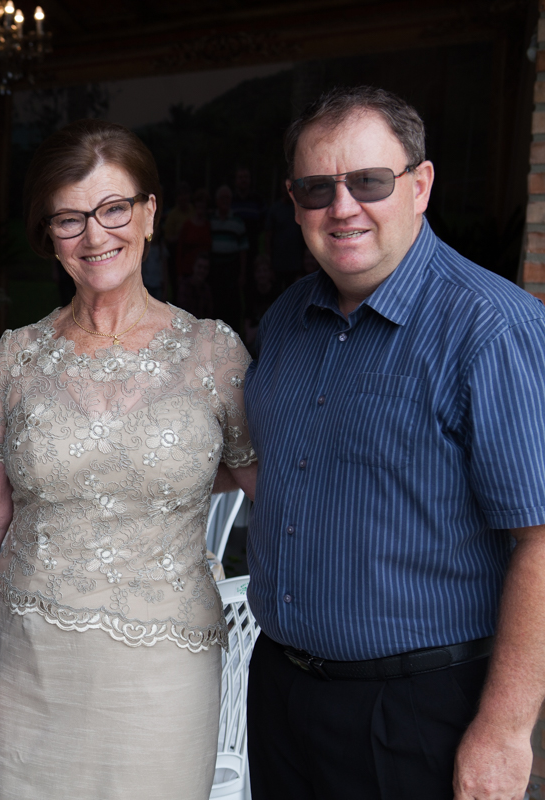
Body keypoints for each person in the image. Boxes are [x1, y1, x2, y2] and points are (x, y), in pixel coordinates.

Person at [244, 85, 545, 800]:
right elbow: (264, 462)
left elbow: (541, 539)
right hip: (282, 692)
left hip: (421, 709)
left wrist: (504, 731)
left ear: (420, 184)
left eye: (369, 182)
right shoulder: (288, 317)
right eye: (318, 188)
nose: (342, 208)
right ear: (294, 203)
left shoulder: (491, 329)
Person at [0, 118, 258, 800]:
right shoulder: (18, 354)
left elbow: (267, 489)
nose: (95, 236)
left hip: (164, 670)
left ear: (150, 214)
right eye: (69, 219)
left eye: (114, 208)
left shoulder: (214, 353)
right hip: (29, 664)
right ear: (49, 237)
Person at [209, 183, 248, 331]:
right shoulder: (211, 220)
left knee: (232, 305)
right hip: (215, 268)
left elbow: (243, 250)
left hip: (232, 268)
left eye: (228, 198)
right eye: (222, 198)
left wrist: (242, 274)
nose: (225, 201)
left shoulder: (237, 222)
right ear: (217, 201)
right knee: (216, 303)